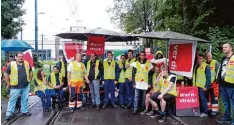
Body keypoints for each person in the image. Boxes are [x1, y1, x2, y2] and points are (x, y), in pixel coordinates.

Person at [4, 52, 33, 120]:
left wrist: (30, 79)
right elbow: (6, 73)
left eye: (22, 56)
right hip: (15, 86)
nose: (21, 58)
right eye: (19, 56)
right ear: (15, 57)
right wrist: (8, 83)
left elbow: (31, 71)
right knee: (12, 100)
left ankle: (24, 111)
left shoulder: (26, 63)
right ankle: (9, 114)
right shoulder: (11, 64)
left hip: (26, 85)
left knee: (25, 99)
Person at [216, 43, 234, 125]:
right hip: (223, 85)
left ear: (231, 48)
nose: (223, 48)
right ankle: (227, 118)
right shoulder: (223, 58)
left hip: (232, 85)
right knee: (225, 103)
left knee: (233, 103)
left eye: (225, 47)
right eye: (223, 47)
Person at [193, 53, 211, 117]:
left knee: (203, 99)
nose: (198, 60)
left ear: (203, 59)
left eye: (200, 58)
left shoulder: (206, 66)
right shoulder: (196, 66)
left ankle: (205, 112)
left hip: (203, 86)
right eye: (198, 58)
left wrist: (207, 86)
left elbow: (209, 77)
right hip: (196, 86)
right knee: (199, 99)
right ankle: (200, 111)